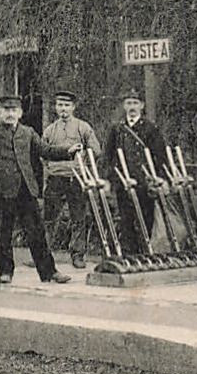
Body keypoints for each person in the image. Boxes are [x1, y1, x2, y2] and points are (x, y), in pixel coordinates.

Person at [0, 95, 79, 285]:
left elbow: (46, 150)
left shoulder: (28, 132)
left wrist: (68, 151)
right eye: (6, 110)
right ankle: (5, 272)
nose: (10, 114)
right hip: (2, 189)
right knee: (4, 232)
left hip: (26, 189)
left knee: (37, 232)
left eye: (14, 110)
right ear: (0, 113)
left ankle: (49, 273)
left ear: (20, 113)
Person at [103, 88, 170, 255]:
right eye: (128, 103)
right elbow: (107, 156)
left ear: (142, 105)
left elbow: (160, 156)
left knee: (145, 220)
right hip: (123, 182)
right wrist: (108, 179)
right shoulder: (117, 129)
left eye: (135, 103)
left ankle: (145, 254)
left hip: (144, 183)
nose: (132, 107)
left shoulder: (150, 128)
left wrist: (160, 178)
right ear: (124, 106)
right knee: (126, 221)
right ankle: (129, 257)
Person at [41, 89, 101, 269]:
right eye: (60, 105)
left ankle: (77, 254)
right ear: (55, 107)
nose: (63, 109)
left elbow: (96, 151)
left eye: (67, 105)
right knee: (49, 218)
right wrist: (51, 168)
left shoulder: (83, 127)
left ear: (73, 107)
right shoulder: (50, 130)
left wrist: (84, 165)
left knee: (78, 217)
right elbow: (42, 153)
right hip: (56, 178)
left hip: (77, 178)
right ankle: (44, 255)